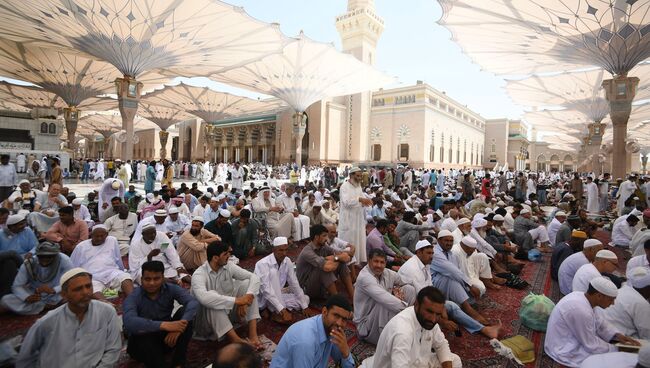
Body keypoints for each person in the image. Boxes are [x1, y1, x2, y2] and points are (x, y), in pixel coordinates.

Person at [15, 268, 122, 368]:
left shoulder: (107, 312)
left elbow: (113, 349)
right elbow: (25, 359)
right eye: (78, 289)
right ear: (64, 295)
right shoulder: (47, 322)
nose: (85, 292)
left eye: (88, 286)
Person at [545, 277, 640, 367]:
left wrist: (617, 335)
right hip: (564, 347)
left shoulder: (583, 297)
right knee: (609, 361)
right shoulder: (580, 309)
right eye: (611, 299)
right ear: (599, 296)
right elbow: (590, 344)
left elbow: (599, 322)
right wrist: (617, 349)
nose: (613, 303)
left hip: (572, 337)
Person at [361, 286, 462, 368]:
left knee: (454, 361)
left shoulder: (429, 321)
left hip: (419, 362)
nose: (433, 319)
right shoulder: (402, 331)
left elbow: (441, 344)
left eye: (438, 314)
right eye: (429, 312)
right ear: (416, 305)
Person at [123, 260, 198, 368]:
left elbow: (192, 302)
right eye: (147, 279)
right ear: (141, 279)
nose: (152, 283)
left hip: (166, 339)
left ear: (163, 278)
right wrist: (164, 325)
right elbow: (129, 322)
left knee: (184, 314)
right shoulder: (134, 296)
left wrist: (179, 326)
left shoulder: (170, 289)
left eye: (156, 278)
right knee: (143, 335)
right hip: (142, 345)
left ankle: (178, 363)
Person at [191, 241, 263, 348]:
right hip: (205, 322)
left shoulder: (228, 266)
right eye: (225, 254)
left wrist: (247, 298)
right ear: (215, 258)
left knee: (247, 285)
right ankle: (237, 341)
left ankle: (253, 335)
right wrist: (237, 301)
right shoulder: (199, 274)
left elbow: (254, 277)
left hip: (227, 314)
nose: (229, 256)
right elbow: (204, 298)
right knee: (213, 299)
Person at [270, 294, 354, 368]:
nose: (339, 323)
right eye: (336, 315)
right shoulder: (306, 341)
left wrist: (345, 352)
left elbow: (344, 364)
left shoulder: (332, 330)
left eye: (344, 319)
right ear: (324, 312)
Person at [354, 248, 415, 344]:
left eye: (382, 262)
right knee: (385, 303)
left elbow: (408, 282)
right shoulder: (365, 278)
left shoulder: (387, 273)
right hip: (366, 326)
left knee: (409, 289)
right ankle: (390, 338)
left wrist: (397, 288)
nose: (379, 265)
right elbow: (385, 299)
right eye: (376, 261)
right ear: (369, 261)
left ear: (386, 263)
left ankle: (401, 327)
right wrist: (411, 312)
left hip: (381, 315)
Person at [431, 230, 488, 325]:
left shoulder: (451, 253)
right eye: (446, 240)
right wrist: (469, 285)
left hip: (446, 282)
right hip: (432, 283)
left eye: (451, 241)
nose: (449, 243)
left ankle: (463, 304)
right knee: (449, 277)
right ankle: (467, 308)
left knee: (459, 281)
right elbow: (451, 270)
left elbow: (457, 271)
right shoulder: (435, 252)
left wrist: (468, 286)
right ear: (439, 241)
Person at [0, 241, 72, 315]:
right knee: (5, 300)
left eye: (49, 256)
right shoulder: (29, 263)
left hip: (57, 294)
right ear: (37, 255)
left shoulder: (64, 260)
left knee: (72, 294)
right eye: (41, 256)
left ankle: (35, 307)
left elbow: (70, 280)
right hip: (35, 295)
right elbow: (17, 286)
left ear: (55, 255)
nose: (45, 259)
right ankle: (44, 306)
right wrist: (27, 297)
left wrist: (54, 290)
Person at [254, 237, 310, 324]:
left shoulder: (287, 261)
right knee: (273, 272)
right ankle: (274, 311)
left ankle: (271, 310)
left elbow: (294, 283)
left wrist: (304, 306)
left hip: (277, 295)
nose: (284, 253)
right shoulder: (262, 264)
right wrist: (282, 310)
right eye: (280, 250)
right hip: (263, 299)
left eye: (286, 250)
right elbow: (266, 290)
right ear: (274, 250)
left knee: (305, 299)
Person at [70, 225, 134, 301]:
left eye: (102, 236)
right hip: (93, 277)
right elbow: (73, 265)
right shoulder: (81, 247)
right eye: (97, 236)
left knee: (125, 278)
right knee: (92, 289)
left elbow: (117, 258)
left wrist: (122, 271)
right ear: (91, 235)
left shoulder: (112, 240)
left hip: (111, 273)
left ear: (106, 235)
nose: (99, 238)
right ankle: (107, 303)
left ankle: (132, 300)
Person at [296, 224, 355, 301]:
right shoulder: (307, 252)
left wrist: (335, 258)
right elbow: (328, 267)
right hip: (306, 289)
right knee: (324, 269)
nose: (327, 239)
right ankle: (338, 302)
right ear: (316, 237)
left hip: (318, 284)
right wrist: (337, 259)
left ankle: (353, 297)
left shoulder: (324, 246)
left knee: (342, 264)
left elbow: (346, 258)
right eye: (324, 236)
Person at [600, 266, 650, 339]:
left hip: (605, 335)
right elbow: (647, 335)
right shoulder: (641, 303)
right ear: (647, 288)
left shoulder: (622, 290)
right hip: (620, 342)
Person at [339, 167, 373, 265]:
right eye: (357, 176)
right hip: (348, 219)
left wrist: (366, 201)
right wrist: (360, 200)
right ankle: (347, 263)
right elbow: (346, 202)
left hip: (358, 218)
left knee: (358, 240)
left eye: (360, 176)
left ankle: (356, 262)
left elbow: (362, 198)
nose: (359, 178)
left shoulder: (358, 186)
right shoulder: (344, 186)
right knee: (349, 240)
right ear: (351, 175)